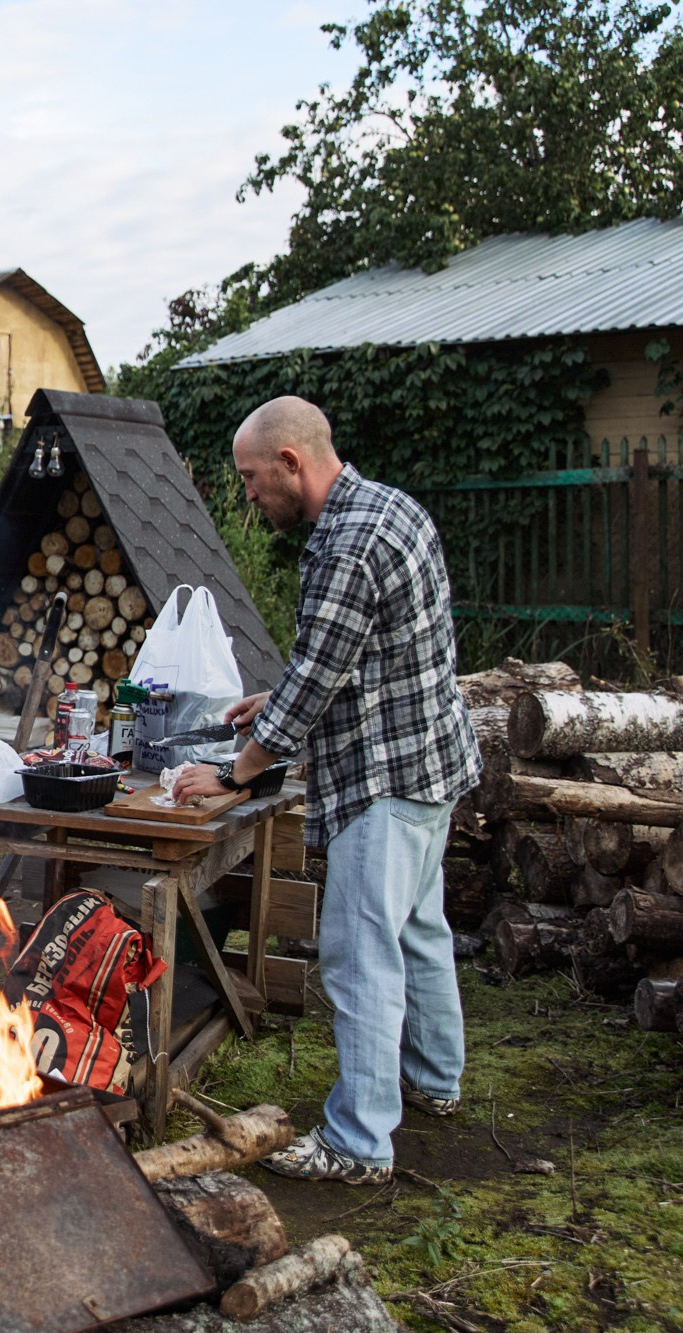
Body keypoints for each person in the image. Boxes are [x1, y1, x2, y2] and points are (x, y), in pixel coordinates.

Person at [171, 396, 481, 1187]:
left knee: (358, 957)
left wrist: (236, 769)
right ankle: (435, 1079)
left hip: (385, 776)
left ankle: (359, 1141)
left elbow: (316, 681)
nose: (248, 496)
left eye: (249, 479)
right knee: (418, 928)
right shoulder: (388, 508)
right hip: (430, 764)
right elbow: (351, 658)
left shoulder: (345, 542)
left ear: (290, 463)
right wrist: (269, 703)